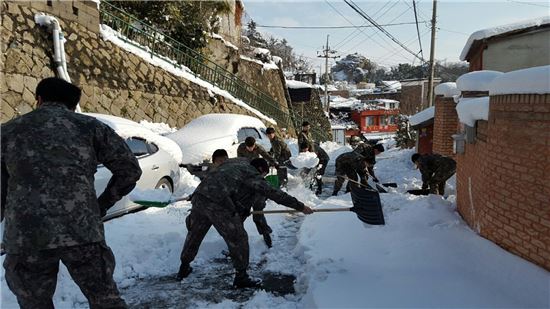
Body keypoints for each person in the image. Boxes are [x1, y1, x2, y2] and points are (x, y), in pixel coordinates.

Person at [1, 77, 142, 308]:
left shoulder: (8, 131)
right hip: (82, 231)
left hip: (27, 236)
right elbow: (129, 170)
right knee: (106, 300)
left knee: (34, 303)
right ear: (74, 105)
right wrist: (102, 205)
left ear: (38, 99)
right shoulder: (91, 127)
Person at [177, 158, 313, 288]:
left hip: (200, 196)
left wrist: (240, 210)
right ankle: (241, 277)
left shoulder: (234, 165)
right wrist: (300, 206)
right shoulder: (251, 174)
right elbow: (274, 193)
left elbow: (232, 188)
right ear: (260, 169)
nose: (262, 177)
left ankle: (184, 267)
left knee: (195, 233)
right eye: (263, 175)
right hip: (219, 203)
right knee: (239, 238)